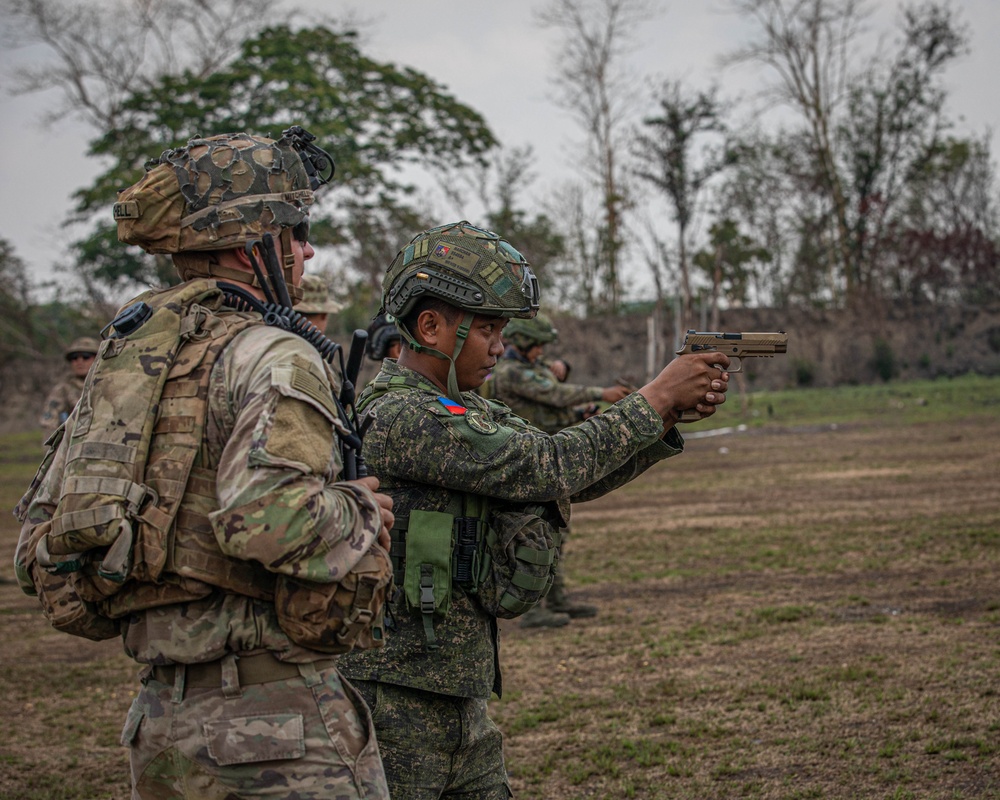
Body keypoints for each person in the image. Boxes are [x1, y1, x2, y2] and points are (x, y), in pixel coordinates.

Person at [14, 130, 395, 799]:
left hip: (160, 728)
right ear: (252, 242)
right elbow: (268, 523)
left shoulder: (126, 363)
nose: (307, 250)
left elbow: (37, 554)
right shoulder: (272, 352)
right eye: (296, 229)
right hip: (276, 725)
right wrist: (360, 505)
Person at [338, 220, 730, 799]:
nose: (500, 346)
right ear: (430, 327)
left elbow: (559, 477)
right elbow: (547, 463)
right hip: (393, 697)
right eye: (489, 329)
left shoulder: (462, 405)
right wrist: (656, 397)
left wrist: (665, 417)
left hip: (456, 693)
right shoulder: (399, 415)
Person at [486, 314, 632, 628]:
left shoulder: (531, 369)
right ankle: (535, 610)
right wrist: (600, 394)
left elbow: (552, 406)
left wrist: (580, 406)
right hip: (525, 462)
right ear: (524, 342)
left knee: (555, 535)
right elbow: (554, 395)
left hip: (545, 457)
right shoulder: (511, 372)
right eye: (538, 345)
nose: (542, 352)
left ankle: (556, 599)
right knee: (531, 536)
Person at [39, 336, 99, 438]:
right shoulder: (63, 390)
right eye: (74, 358)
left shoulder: (109, 385)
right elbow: (49, 424)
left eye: (86, 356)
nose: (79, 361)